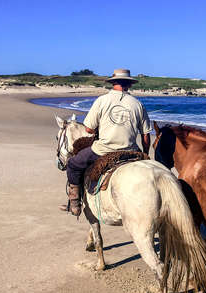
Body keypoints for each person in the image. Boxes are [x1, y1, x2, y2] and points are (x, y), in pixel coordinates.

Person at [63, 68, 152, 216]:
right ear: (129, 85)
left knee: (73, 164)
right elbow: (146, 136)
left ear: (113, 83)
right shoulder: (137, 104)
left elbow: (89, 129)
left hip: (103, 150)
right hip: (131, 152)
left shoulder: (102, 101)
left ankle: (75, 202)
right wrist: (145, 154)